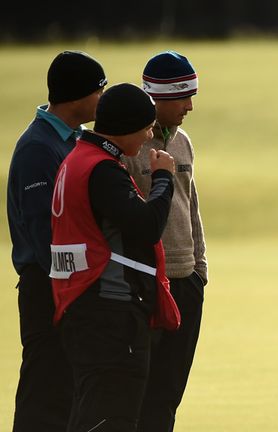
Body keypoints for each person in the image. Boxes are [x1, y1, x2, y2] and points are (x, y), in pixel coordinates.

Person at [50, 83, 180, 432]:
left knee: (90, 412)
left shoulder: (77, 158)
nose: (150, 134)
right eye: (147, 126)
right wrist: (164, 179)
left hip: (85, 305)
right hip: (110, 310)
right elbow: (147, 225)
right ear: (128, 126)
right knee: (112, 416)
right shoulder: (101, 169)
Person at [6, 50, 107, 431]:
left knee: (67, 392)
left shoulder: (76, 140)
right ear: (77, 95)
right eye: (100, 90)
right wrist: (78, 283)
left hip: (69, 283)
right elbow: (43, 231)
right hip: (47, 286)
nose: (103, 98)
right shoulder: (39, 147)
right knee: (45, 391)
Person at [122, 50, 208, 431]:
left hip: (185, 280)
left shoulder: (183, 141)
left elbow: (191, 206)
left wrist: (199, 270)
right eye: (182, 97)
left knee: (168, 393)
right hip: (144, 282)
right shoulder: (128, 144)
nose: (190, 105)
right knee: (135, 393)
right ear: (157, 97)